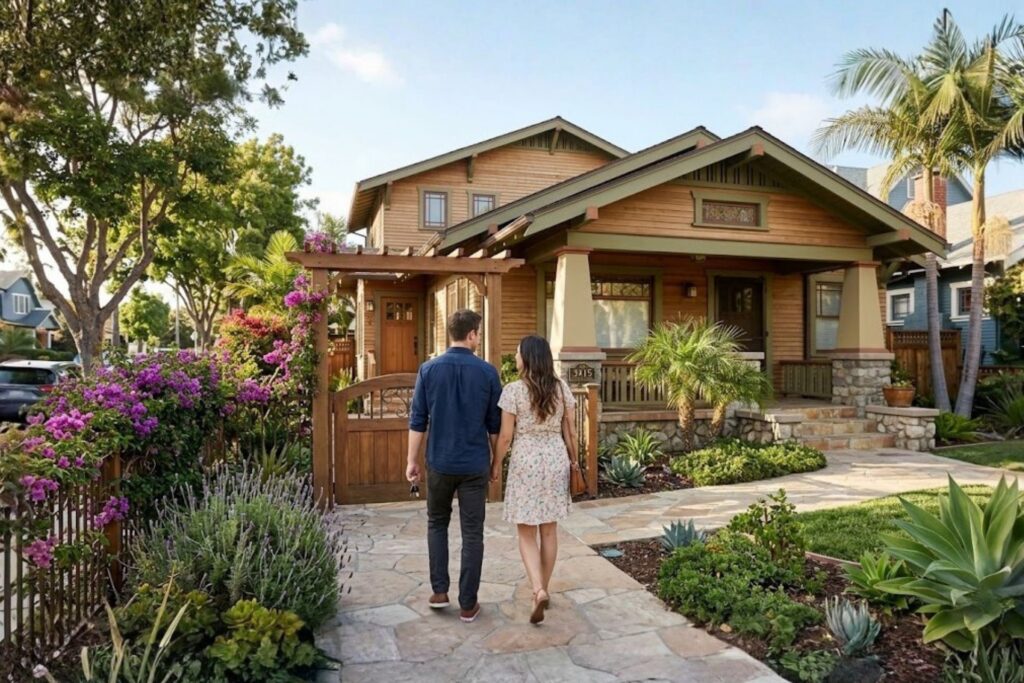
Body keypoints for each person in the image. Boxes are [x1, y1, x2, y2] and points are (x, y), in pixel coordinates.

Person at [407, 309, 502, 623]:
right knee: (472, 534)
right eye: (478, 332)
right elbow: (494, 426)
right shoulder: (488, 373)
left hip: (440, 462)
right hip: (474, 464)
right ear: (473, 334)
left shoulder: (428, 370)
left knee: (437, 524)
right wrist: (495, 462)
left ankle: (439, 591)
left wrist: (411, 461)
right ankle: (467, 604)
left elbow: (418, 420)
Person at [490, 335, 578, 624]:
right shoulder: (562, 388)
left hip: (526, 460)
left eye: (517, 354)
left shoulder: (513, 391)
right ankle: (545, 588)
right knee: (549, 530)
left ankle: (537, 589)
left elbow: (505, 436)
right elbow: (571, 433)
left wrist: (495, 465)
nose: (515, 358)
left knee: (526, 531)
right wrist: (574, 461)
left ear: (526, 358)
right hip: (555, 458)